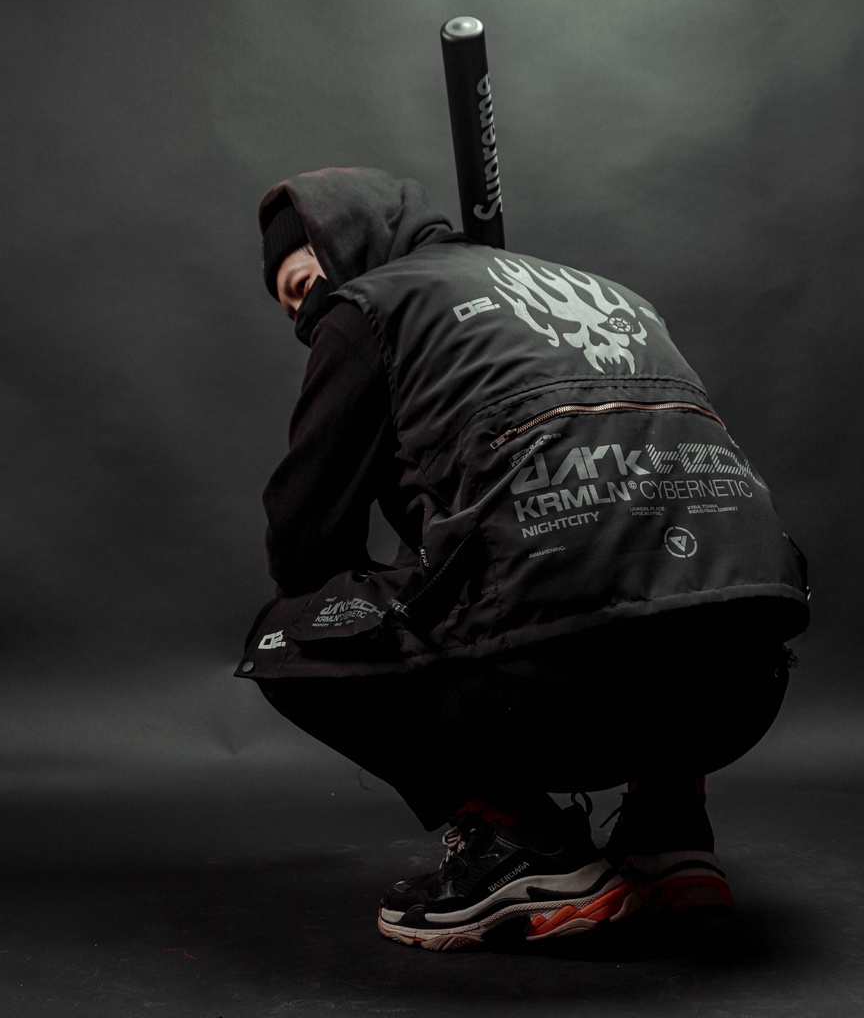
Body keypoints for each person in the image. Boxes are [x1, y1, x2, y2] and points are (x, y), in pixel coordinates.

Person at [236, 166, 809, 951]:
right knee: (650, 556)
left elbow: (305, 542)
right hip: (743, 682)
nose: (304, 319)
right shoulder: (616, 295)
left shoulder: (365, 308)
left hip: (558, 686)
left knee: (286, 636)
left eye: (303, 288)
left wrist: (408, 580)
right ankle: (668, 827)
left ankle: (524, 847)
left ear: (344, 247)